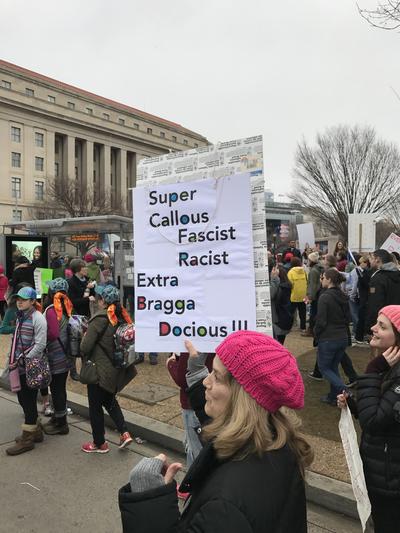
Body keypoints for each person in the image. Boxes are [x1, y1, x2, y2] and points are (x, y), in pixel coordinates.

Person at [120, 331, 313, 532]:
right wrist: (195, 377)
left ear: (243, 398)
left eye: (217, 376)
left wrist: (148, 503)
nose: (206, 381)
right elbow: (230, 424)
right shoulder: (278, 442)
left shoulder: (224, 507)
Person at [337, 306, 400, 532]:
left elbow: (373, 420)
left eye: (382, 326)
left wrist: (373, 370)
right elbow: (382, 415)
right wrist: (354, 404)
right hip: (382, 472)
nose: (373, 328)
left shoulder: (386, 369)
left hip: (391, 481)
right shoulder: (389, 367)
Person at [80, 284, 136, 453]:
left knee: (95, 407)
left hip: (99, 370)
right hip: (115, 369)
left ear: (103, 300)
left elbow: (85, 347)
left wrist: (84, 335)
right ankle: (125, 433)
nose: (97, 301)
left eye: (99, 298)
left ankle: (99, 443)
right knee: (110, 401)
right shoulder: (122, 317)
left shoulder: (100, 319)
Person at [5, 287, 47, 456]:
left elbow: (40, 344)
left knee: (28, 400)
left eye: (23, 299)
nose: (19, 301)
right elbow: (16, 339)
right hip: (19, 367)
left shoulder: (38, 318)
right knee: (22, 397)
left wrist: (25, 358)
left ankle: (28, 438)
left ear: (32, 301)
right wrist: (11, 358)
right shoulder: (21, 316)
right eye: (18, 299)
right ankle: (35, 432)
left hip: (30, 368)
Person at [314, 268, 355, 405]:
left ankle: (345, 391)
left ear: (329, 279)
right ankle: (333, 396)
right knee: (333, 367)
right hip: (342, 336)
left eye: (323, 278)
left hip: (328, 338)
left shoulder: (325, 297)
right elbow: (348, 318)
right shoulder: (343, 296)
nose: (321, 280)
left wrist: (316, 334)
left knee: (324, 368)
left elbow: (321, 321)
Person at [166, 352, 213, 468]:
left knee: (196, 452)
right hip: (213, 402)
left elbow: (182, 378)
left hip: (194, 404)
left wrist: (171, 363)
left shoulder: (193, 339)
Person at [41, 278, 73, 436]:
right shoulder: (66, 308)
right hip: (65, 354)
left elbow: (53, 333)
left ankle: (62, 424)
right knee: (59, 389)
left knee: (57, 389)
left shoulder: (52, 310)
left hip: (55, 356)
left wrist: (40, 337)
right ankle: (57, 417)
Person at [365, 249, 400, 335]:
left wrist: (370, 328)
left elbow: (375, 304)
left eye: (371, 258)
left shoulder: (378, 279)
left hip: (383, 324)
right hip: (397, 322)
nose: (369, 260)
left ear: (377, 259)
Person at [301, 251, 324, 337]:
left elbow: (312, 285)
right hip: (319, 294)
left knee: (313, 313)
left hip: (315, 296)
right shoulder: (320, 268)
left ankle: (311, 330)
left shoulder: (313, 271)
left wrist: (310, 297)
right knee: (315, 313)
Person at [270, 264, 293, 344]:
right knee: (281, 344)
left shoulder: (279, 288)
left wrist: (274, 279)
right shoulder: (287, 286)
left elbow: (271, 294)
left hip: (277, 321)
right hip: (285, 320)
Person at [288, 256, 307, 331]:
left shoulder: (290, 272)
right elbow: (307, 281)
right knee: (303, 313)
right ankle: (303, 327)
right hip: (303, 295)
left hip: (294, 295)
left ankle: (289, 327)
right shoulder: (304, 271)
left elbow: (289, 284)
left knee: (291, 313)